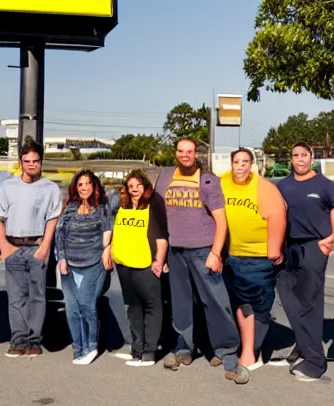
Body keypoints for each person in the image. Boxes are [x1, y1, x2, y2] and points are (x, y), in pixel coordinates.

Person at [154, 139, 248, 384]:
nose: (185, 155)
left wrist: (215, 253)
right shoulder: (165, 178)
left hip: (203, 252)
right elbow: (159, 216)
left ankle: (227, 355)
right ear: (175, 153)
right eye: (181, 151)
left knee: (217, 303)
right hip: (176, 251)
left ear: (196, 155)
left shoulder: (208, 181)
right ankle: (183, 348)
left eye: (190, 152)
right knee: (181, 304)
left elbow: (221, 221)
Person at [273, 142, 334, 382]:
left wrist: (331, 238)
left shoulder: (324, 185)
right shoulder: (282, 186)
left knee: (310, 302)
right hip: (288, 247)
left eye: (305, 155)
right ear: (290, 159)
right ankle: (303, 348)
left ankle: (315, 362)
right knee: (288, 297)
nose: (300, 159)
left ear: (311, 157)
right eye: (296, 155)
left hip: (314, 246)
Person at [0, 139, 61, 358]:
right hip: (13, 246)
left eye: (36, 161)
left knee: (37, 296)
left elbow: (52, 219)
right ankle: (18, 340)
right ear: (20, 162)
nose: (32, 164)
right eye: (27, 161)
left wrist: (46, 247)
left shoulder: (50, 188)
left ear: (41, 162)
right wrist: (3, 246)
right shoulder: (9, 186)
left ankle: (34, 340)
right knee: (16, 297)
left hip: (37, 247)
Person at [221, 148, 286, 370]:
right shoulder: (222, 183)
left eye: (245, 162)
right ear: (231, 164)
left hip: (258, 258)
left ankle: (252, 352)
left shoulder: (264, 187)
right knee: (240, 305)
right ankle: (247, 349)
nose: (240, 166)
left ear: (252, 164)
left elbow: (278, 216)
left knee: (258, 306)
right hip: (232, 256)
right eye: (237, 162)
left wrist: (274, 249)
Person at [110, 169, 168, 367]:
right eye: (131, 186)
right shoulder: (122, 206)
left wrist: (159, 260)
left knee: (152, 305)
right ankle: (137, 349)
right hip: (124, 263)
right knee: (133, 306)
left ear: (145, 187)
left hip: (146, 263)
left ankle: (150, 352)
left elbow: (161, 235)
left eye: (138, 186)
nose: (134, 190)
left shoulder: (153, 204)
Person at [55, 170, 112, 364]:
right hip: (69, 267)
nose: (84, 187)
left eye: (88, 183)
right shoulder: (70, 207)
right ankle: (78, 348)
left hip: (93, 264)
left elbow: (107, 232)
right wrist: (61, 258)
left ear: (94, 186)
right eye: (80, 184)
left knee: (87, 306)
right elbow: (59, 234)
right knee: (72, 309)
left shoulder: (102, 207)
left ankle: (92, 347)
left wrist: (107, 249)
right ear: (75, 188)